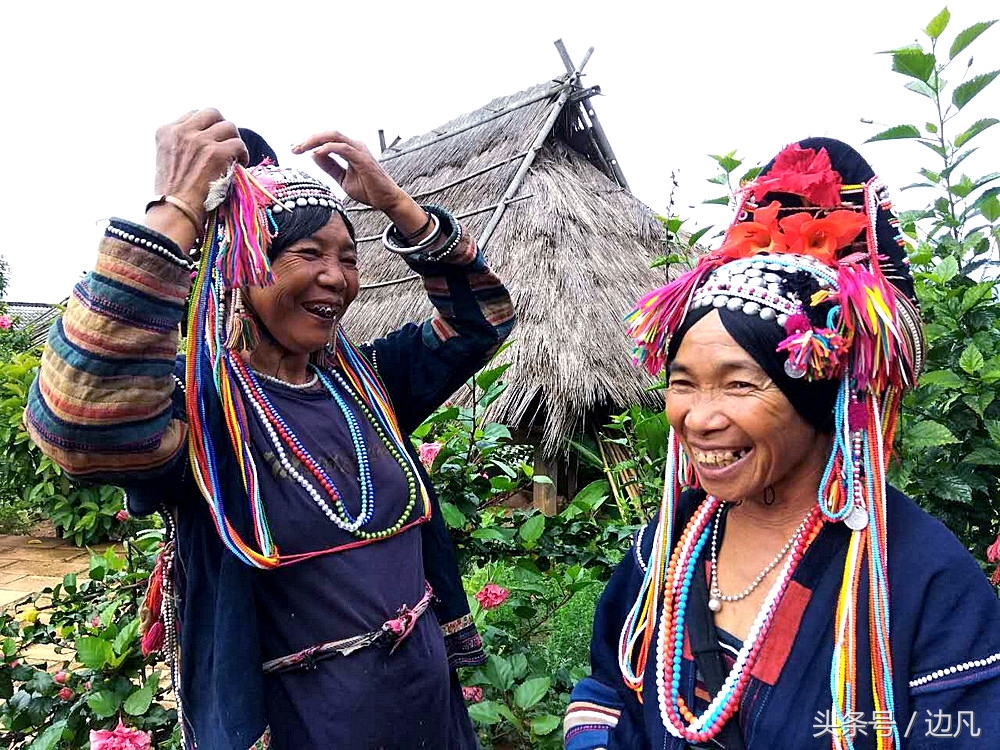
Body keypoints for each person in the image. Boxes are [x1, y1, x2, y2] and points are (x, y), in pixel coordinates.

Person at [25, 109, 516, 749]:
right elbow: (81, 422)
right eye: (307, 253)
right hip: (304, 727)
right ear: (245, 268)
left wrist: (399, 206)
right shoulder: (201, 413)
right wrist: (176, 209)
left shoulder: (366, 386)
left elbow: (484, 320)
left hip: (427, 711)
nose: (336, 277)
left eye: (347, 257)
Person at [563, 138, 1000, 749]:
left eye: (740, 384)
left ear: (822, 400)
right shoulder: (663, 555)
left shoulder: (924, 582)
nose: (699, 417)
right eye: (683, 383)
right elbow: (608, 693)